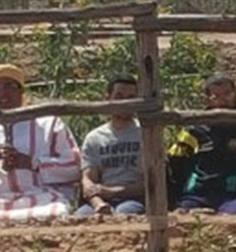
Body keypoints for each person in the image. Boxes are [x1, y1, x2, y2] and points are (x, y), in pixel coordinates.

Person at [168, 74, 236, 215]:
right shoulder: (194, 130)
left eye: (227, 94)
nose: (223, 100)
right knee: (182, 217)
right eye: (216, 96)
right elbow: (174, 163)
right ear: (207, 99)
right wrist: (175, 195)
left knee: (232, 219)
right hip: (198, 195)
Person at [0, 64, 81, 221]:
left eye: (8, 86)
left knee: (53, 213)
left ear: (21, 92)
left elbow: (75, 167)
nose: (2, 92)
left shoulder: (48, 124)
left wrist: (33, 163)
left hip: (41, 198)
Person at [76, 75, 145, 216]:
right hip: (101, 198)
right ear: (108, 98)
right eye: (119, 96)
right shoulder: (94, 138)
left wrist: (113, 191)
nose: (124, 102)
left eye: (130, 97)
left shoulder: (146, 135)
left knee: (124, 212)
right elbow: (88, 178)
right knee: (81, 216)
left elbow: (152, 181)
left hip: (134, 198)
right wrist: (98, 203)